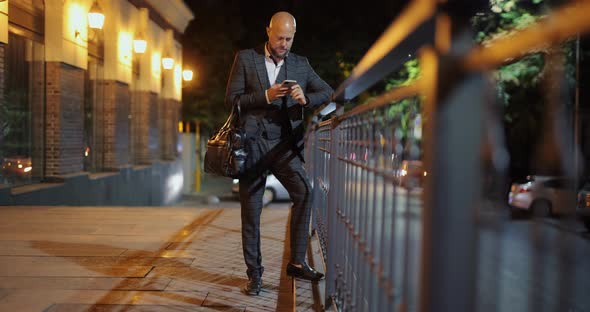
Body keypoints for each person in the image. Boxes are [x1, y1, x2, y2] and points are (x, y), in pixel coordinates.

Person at [225, 11, 333, 296]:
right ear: (268, 32)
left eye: (289, 38)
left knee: (305, 193)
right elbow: (231, 99)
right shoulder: (246, 58)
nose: (283, 43)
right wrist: (266, 96)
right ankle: (255, 276)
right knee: (252, 212)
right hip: (252, 146)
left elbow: (328, 91)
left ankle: (296, 262)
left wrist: (305, 98)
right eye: (279, 38)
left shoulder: (300, 64)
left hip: (285, 146)